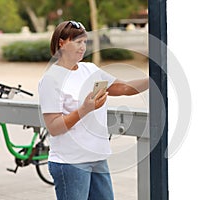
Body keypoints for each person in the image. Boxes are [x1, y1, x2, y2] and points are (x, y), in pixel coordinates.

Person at [38, 20, 148, 200]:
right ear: (62, 43)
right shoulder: (51, 79)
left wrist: (155, 79)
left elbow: (124, 88)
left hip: (98, 158)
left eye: (85, 42)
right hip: (71, 163)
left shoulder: (90, 69)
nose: (83, 47)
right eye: (78, 42)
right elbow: (54, 127)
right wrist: (85, 109)